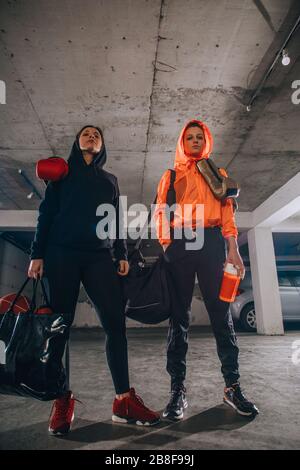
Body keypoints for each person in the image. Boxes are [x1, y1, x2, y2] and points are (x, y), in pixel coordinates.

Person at [28, 125, 160, 435]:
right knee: (59, 327)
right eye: (86, 134)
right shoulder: (62, 173)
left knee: (115, 325)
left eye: (97, 135)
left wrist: (121, 254)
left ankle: (123, 401)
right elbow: (46, 214)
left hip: (99, 258)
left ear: (102, 146)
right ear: (77, 142)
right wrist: (37, 254)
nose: (91, 137)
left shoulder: (109, 181)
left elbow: (113, 222)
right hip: (62, 255)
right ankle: (62, 400)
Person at [154, 119, 259, 420]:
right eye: (190, 137)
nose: (196, 141)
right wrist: (167, 246)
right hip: (182, 243)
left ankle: (232, 387)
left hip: (212, 242)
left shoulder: (219, 174)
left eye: (200, 137)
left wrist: (233, 248)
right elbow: (160, 212)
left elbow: (227, 216)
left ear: (206, 140)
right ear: (182, 142)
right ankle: (177, 391)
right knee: (179, 317)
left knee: (221, 314)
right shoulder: (171, 175)